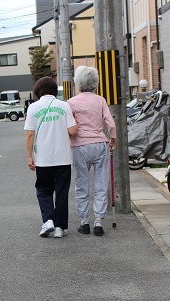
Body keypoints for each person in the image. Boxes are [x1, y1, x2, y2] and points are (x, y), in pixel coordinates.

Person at [24, 77, 78, 238]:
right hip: (63, 157)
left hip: (43, 158)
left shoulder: (33, 108)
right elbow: (73, 131)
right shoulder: (64, 106)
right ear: (55, 91)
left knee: (43, 190)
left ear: (38, 92)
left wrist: (29, 156)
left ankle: (48, 221)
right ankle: (60, 228)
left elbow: (29, 134)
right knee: (61, 192)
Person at [67, 66, 117, 236]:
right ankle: (99, 222)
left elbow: (68, 126)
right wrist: (112, 140)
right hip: (100, 144)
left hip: (80, 146)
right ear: (95, 82)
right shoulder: (100, 100)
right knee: (101, 183)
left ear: (77, 82)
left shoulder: (71, 102)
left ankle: (84, 222)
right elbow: (111, 124)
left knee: (82, 183)